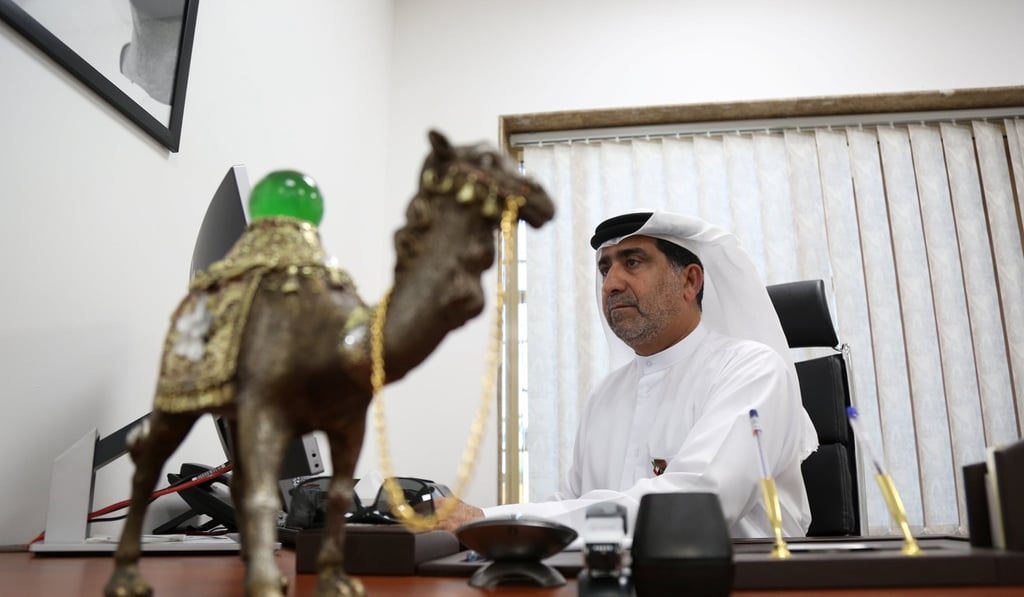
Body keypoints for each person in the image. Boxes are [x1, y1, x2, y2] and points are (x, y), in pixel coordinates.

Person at [435, 211, 819, 538]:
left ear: (689, 281)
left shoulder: (751, 369)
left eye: (632, 262)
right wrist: (477, 522)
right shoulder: (607, 394)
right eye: (605, 267)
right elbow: (570, 503)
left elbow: (697, 506)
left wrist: (490, 522)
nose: (612, 283)